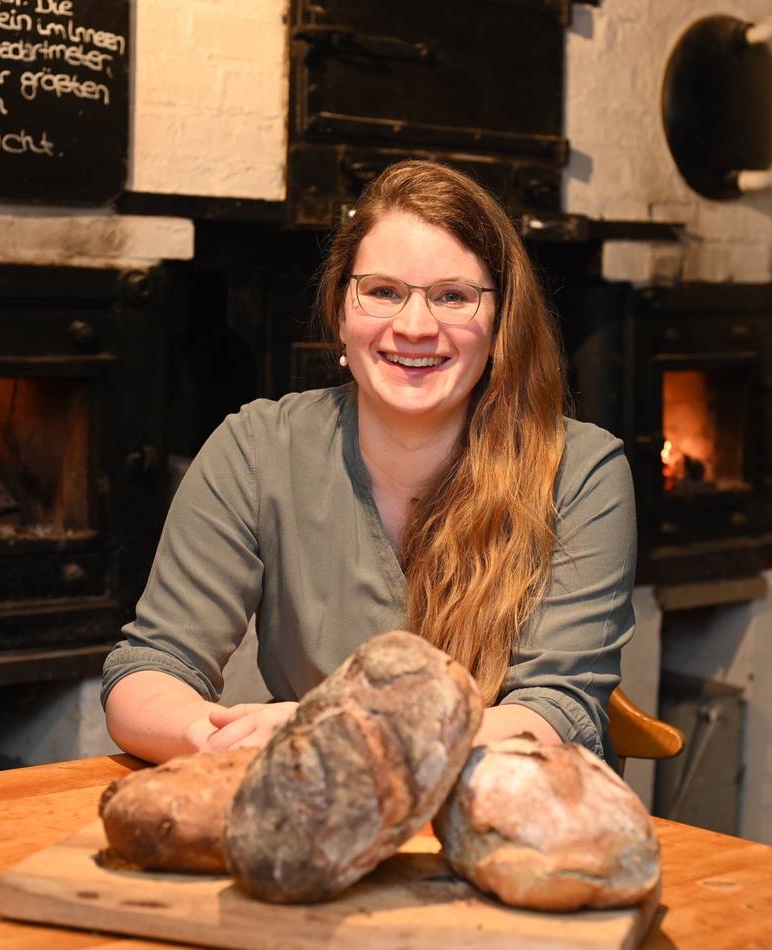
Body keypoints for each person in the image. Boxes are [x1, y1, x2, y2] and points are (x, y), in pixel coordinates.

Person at [102, 160, 636, 767]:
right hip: (325, 818)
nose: (413, 326)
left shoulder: (581, 471)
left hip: (518, 829)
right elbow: (148, 671)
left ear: (501, 322)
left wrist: (341, 734)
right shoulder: (257, 448)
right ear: (340, 311)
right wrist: (222, 737)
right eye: (383, 292)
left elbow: (553, 715)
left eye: (453, 297)